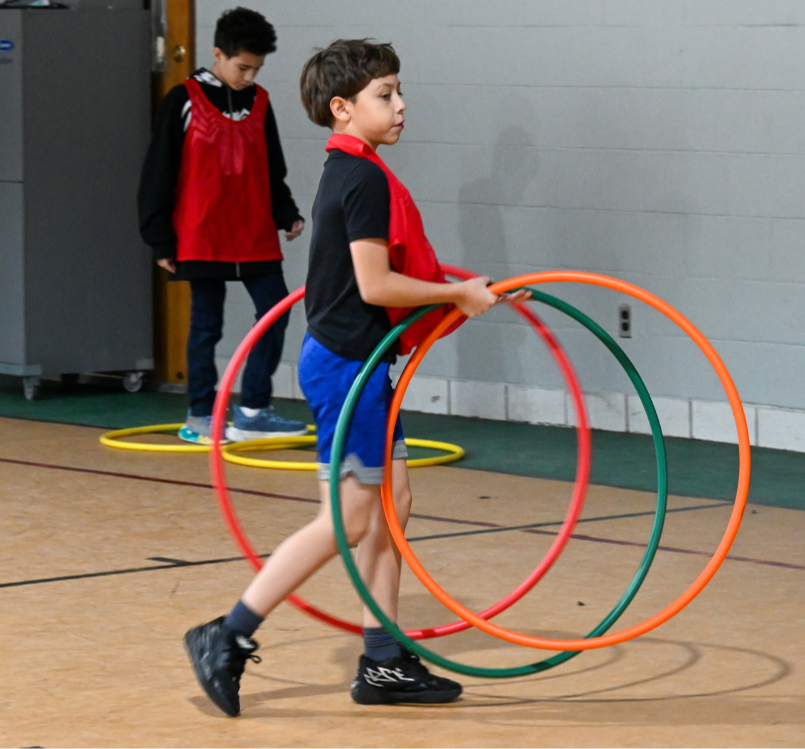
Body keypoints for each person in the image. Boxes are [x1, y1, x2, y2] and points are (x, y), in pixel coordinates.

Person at [183, 38, 529, 716]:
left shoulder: (349, 168)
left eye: (400, 92)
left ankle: (382, 659)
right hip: (348, 368)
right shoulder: (362, 178)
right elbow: (375, 284)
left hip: (357, 364)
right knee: (346, 515)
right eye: (384, 95)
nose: (401, 106)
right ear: (342, 108)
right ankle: (227, 632)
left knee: (391, 506)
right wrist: (458, 296)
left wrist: (458, 292)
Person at [138, 7, 308, 444]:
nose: (249, 76)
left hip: (254, 236)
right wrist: (159, 238)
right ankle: (200, 415)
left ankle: (253, 409)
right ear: (218, 54)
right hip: (201, 235)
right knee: (205, 325)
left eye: (257, 69)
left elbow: (272, 168)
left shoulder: (262, 102)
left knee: (275, 314)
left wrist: (286, 213)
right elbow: (158, 170)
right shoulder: (182, 100)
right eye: (242, 67)